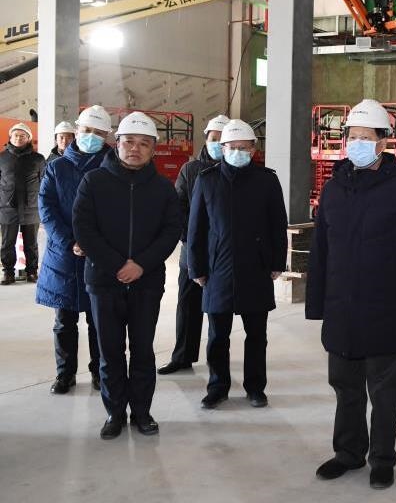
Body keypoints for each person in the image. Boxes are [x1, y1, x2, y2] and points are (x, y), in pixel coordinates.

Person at [306, 99, 396, 490]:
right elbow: (320, 252)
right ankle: (348, 453)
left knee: (383, 390)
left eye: (365, 137)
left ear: (383, 142)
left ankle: (382, 458)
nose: (356, 143)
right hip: (341, 307)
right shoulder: (333, 190)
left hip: (385, 309)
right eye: (352, 137)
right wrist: (316, 304)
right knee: (345, 387)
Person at [73, 111, 182, 439]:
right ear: (116, 143)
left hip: (147, 282)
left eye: (144, 143)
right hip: (103, 281)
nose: (135, 148)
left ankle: (142, 413)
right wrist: (117, 265)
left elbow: (171, 231)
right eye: (129, 141)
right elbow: (84, 228)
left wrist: (141, 265)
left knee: (143, 351)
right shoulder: (94, 181)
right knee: (109, 352)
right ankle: (115, 413)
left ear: (153, 149)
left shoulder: (163, 188)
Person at [187, 119, 288, 409]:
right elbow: (196, 229)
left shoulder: (267, 180)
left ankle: (255, 387)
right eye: (232, 147)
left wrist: (277, 262)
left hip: (256, 268)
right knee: (217, 336)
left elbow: (277, 225)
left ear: (253, 149)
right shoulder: (207, 180)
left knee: (256, 335)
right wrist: (196, 268)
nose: (238, 152)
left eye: (244, 147)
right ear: (222, 148)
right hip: (217, 270)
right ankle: (217, 388)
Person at [37, 105, 114, 394]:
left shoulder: (113, 167)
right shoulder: (57, 167)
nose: (91, 136)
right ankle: (65, 374)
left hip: (100, 257)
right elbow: (47, 209)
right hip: (63, 257)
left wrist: (94, 244)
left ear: (107, 135)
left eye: (98, 132)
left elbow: (118, 212)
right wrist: (70, 242)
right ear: (76, 130)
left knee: (99, 321)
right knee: (64, 320)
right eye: (86, 130)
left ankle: (99, 372)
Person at [158, 114, 230, 375]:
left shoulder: (235, 172)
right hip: (193, 248)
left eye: (222, 139)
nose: (217, 143)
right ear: (206, 139)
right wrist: (190, 238)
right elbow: (178, 208)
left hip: (223, 252)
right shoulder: (190, 170)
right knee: (188, 304)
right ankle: (182, 357)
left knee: (219, 308)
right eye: (213, 138)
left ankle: (217, 362)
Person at [0, 122, 45, 285]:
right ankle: (8, 273)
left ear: (28, 139)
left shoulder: (38, 159)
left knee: (31, 243)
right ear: (10, 137)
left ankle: (32, 272)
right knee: (7, 243)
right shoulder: (2, 158)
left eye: (23, 136)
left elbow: (43, 183)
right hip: (7, 208)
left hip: (31, 208)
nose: (19, 138)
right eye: (16, 135)